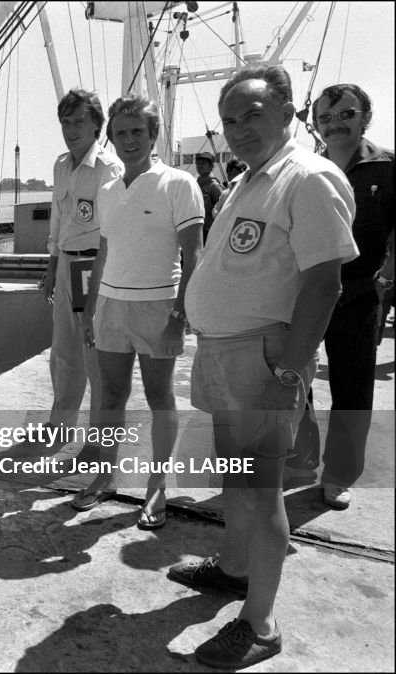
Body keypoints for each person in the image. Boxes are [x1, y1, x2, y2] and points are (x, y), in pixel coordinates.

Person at [169, 65, 357, 669]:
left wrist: (290, 375)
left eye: (252, 113)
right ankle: (233, 567)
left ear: (286, 112)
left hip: (263, 358)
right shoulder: (251, 180)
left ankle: (261, 622)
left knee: (262, 489)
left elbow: (324, 284)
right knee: (237, 480)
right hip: (226, 354)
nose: (238, 128)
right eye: (229, 119)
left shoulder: (307, 178)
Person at [77, 94, 203, 530]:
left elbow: (194, 257)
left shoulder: (178, 184)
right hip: (112, 305)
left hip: (158, 306)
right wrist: (91, 310)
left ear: (153, 135)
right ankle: (103, 475)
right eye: (121, 132)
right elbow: (104, 252)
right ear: (110, 137)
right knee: (109, 396)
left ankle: (157, 484)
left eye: (137, 131)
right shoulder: (109, 189)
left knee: (158, 397)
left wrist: (178, 319)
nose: (129, 139)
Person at [285, 83, 394, 509]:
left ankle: (339, 474)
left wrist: (387, 278)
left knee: (353, 388)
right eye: (326, 118)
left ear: (365, 117)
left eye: (346, 115)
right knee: (296, 378)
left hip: (360, 293)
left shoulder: (387, 167)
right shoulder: (307, 167)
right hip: (310, 290)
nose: (335, 125)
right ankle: (300, 458)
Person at [42, 89, 123, 434]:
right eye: (65, 122)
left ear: (96, 126)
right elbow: (59, 220)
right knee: (63, 351)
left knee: (95, 353)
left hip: (93, 265)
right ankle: (60, 423)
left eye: (79, 121)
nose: (71, 129)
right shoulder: (61, 165)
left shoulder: (109, 168)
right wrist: (51, 267)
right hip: (66, 265)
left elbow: (114, 232)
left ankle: (99, 433)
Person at [195, 151, 224, 239]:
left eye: (203, 164)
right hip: (197, 228)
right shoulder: (196, 183)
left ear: (211, 166)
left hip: (209, 231)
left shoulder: (214, 186)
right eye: (198, 163)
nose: (200, 166)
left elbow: (222, 208)